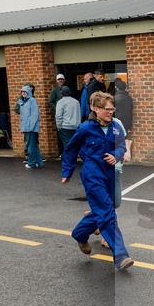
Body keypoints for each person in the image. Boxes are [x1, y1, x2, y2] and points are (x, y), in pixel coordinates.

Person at [61, 91, 134, 271]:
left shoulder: (115, 127)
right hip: (93, 174)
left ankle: (80, 233)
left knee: (105, 208)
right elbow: (71, 150)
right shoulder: (85, 128)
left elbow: (122, 147)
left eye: (112, 108)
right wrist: (67, 172)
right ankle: (121, 255)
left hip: (110, 174)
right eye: (107, 109)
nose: (111, 112)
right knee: (107, 212)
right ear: (95, 108)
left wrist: (116, 156)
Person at [112, 78, 133, 209]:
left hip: (119, 122)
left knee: (120, 139)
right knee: (125, 138)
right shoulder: (129, 98)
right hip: (127, 122)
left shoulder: (115, 99)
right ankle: (126, 154)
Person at [18, 85, 43, 169]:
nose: (23, 93)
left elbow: (35, 115)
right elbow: (23, 117)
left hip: (30, 128)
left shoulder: (32, 101)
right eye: (22, 92)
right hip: (27, 128)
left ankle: (31, 163)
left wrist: (31, 127)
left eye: (25, 92)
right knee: (34, 145)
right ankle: (39, 162)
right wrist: (23, 128)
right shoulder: (23, 102)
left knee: (30, 146)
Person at [55, 85, 80, 152]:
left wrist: (59, 125)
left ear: (61, 93)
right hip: (75, 126)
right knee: (75, 144)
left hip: (65, 127)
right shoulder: (76, 102)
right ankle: (73, 160)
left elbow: (58, 115)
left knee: (67, 145)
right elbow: (79, 114)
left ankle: (69, 161)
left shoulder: (60, 102)